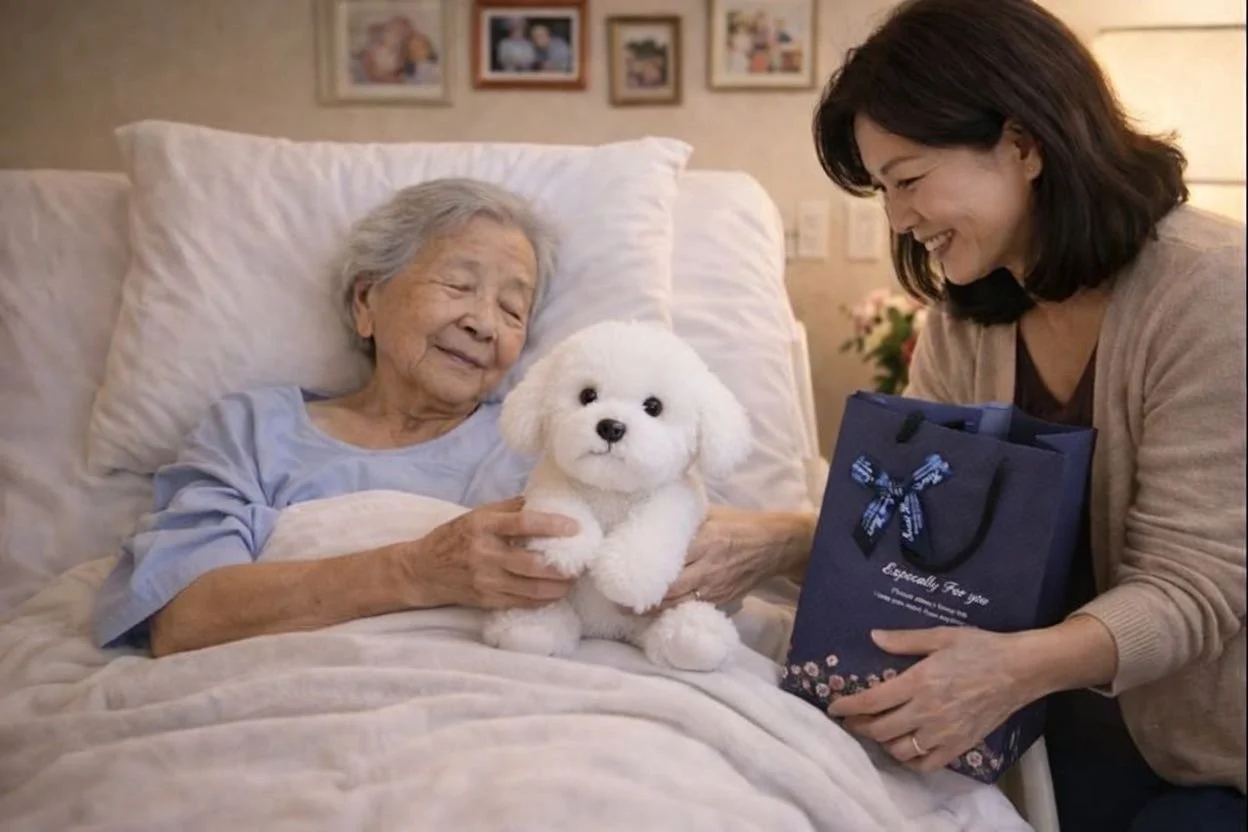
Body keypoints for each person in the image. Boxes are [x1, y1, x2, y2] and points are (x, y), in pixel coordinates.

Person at [809, 1, 1245, 830]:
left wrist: (1009, 673)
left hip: (1204, 758)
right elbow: (916, 526)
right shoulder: (965, 319)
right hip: (1040, 736)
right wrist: (774, 542)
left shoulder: (1214, 295)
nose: (898, 219)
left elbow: (1196, 588)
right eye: (883, 190)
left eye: (908, 180)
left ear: (1023, 143)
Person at [92, 177, 817, 659]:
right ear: (366, 302)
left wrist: (791, 537)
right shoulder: (252, 430)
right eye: (458, 284)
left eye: (512, 307)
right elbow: (180, 616)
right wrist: (415, 569)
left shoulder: (554, 440)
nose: (484, 323)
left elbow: (701, 545)